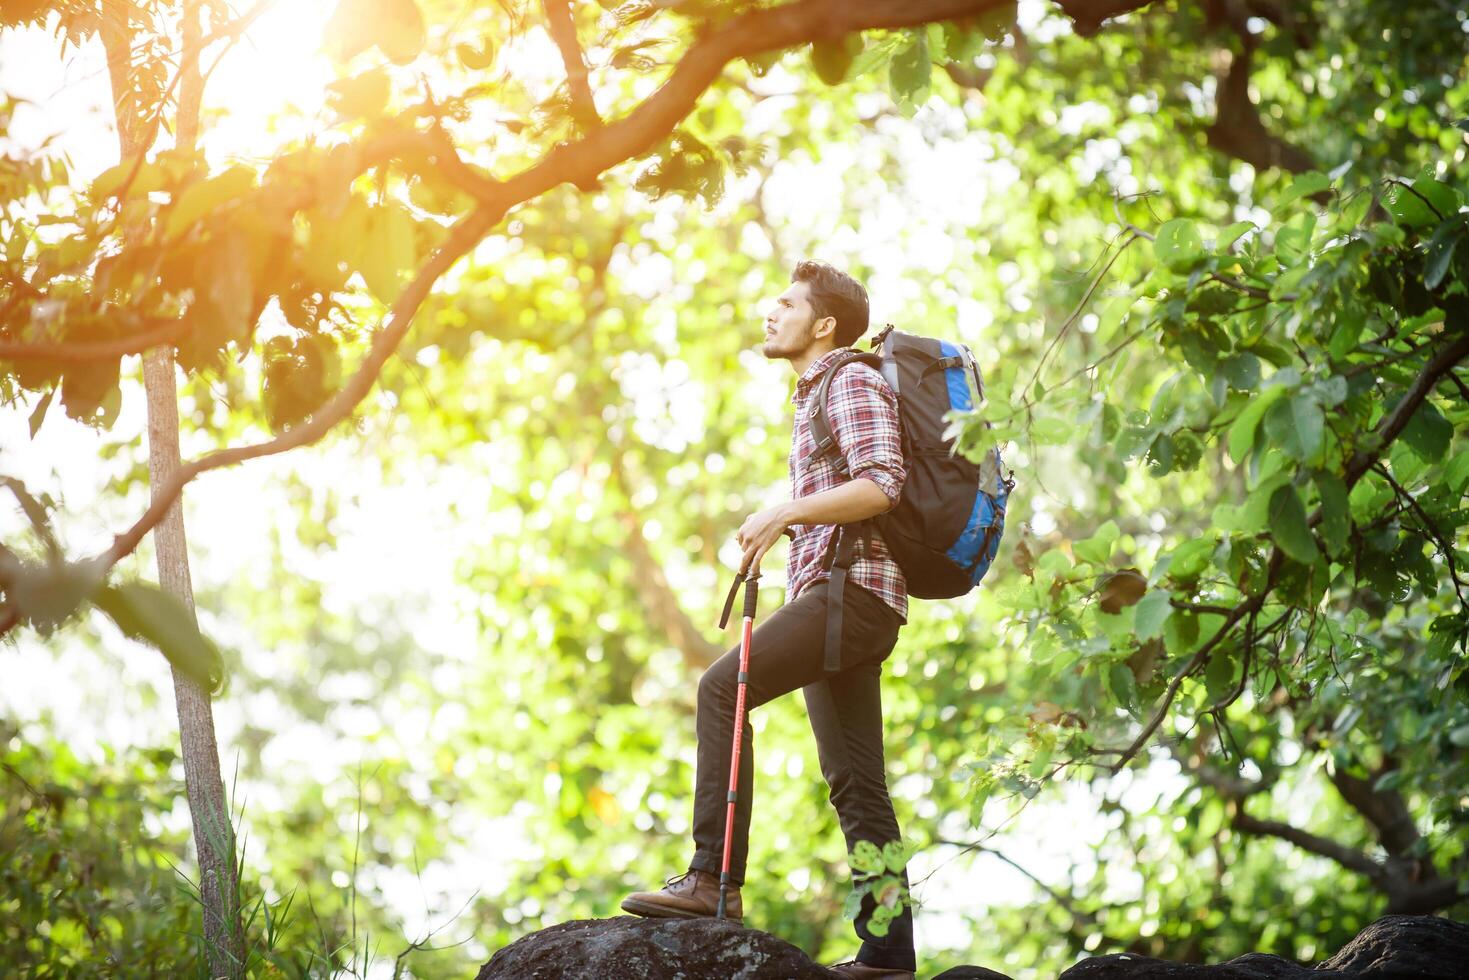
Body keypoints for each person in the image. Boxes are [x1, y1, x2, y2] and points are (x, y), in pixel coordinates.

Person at [621, 260, 917, 980]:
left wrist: (785, 511)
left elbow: (883, 482)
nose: (769, 312)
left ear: (822, 324)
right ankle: (888, 952)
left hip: (854, 592)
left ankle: (709, 880)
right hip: (844, 595)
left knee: (723, 689)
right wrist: (788, 533)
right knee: (855, 779)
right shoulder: (813, 394)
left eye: (785, 304)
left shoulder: (848, 379)